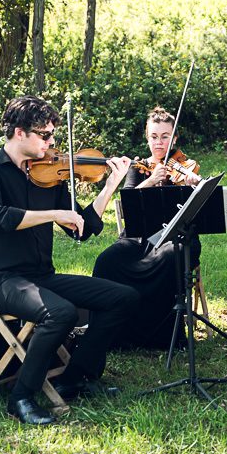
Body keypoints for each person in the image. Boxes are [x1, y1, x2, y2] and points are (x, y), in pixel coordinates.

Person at [0, 96, 138, 425]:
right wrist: (53, 213)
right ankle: (20, 397)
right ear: (20, 133)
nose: (51, 143)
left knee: (123, 297)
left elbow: (81, 229)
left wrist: (109, 186)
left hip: (41, 276)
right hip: (2, 279)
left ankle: (75, 377)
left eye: (53, 137)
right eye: (45, 136)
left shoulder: (50, 174)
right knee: (60, 312)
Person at [92, 107, 202, 348]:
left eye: (165, 136)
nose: (159, 142)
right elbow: (128, 202)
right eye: (154, 137)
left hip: (176, 237)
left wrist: (193, 186)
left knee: (169, 257)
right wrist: (152, 181)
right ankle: (114, 333)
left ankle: (164, 335)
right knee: (107, 261)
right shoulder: (138, 167)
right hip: (138, 237)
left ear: (174, 138)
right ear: (147, 138)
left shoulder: (185, 167)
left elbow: (195, 208)